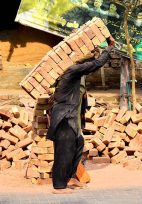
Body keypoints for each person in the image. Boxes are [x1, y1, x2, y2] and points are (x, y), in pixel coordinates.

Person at [47, 36, 115, 194]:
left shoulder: (74, 72)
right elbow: (96, 64)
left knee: (78, 145)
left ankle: (70, 178)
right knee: (63, 151)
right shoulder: (72, 70)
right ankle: (58, 186)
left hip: (71, 116)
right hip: (64, 118)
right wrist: (109, 47)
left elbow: (91, 63)